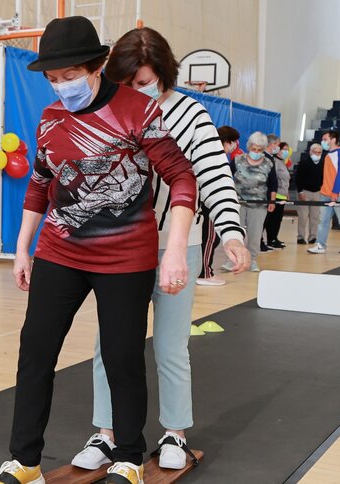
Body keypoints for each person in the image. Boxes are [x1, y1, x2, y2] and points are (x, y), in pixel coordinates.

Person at [0, 17, 197, 484]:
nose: (61, 86)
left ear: (97, 66)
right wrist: (22, 249)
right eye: (53, 78)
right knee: (35, 353)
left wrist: (174, 250)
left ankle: (128, 457)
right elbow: (40, 184)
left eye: (70, 75)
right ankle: (25, 462)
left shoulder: (138, 110)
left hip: (125, 258)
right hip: (60, 251)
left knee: (122, 358)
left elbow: (182, 177)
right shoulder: (51, 119)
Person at [71, 26, 249, 473]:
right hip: (120, 248)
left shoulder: (190, 114)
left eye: (144, 82)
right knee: (110, 345)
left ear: (165, 74)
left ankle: (175, 432)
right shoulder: (108, 108)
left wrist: (231, 233)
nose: (135, 90)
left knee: (171, 345)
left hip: (176, 244)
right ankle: (107, 432)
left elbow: (213, 175)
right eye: (126, 82)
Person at [224, 132, 276, 273]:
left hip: (259, 204)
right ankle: (232, 260)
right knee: (235, 232)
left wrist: (272, 201)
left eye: (259, 150)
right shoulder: (238, 160)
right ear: (249, 147)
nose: (256, 152)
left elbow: (273, 184)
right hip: (238, 202)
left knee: (255, 234)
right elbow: (226, 177)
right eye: (254, 149)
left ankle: (252, 260)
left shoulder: (268, 163)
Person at [197, 125, 242, 286]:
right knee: (209, 238)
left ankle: (204, 270)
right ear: (227, 141)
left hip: (207, 203)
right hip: (208, 204)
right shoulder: (214, 156)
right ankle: (205, 273)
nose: (235, 146)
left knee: (209, 239)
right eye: (233, 142)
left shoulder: (217, 155)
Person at [308, 131, 340, 255]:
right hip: (325, 193)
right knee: (323, 221)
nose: (323, 141)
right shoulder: (328, 155)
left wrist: (335, 192)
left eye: (325, 139)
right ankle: (320, 245)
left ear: (333, 139)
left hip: (339, 194)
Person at [263, 139, 291, 249]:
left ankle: (274, 238)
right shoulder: (274, 161)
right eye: (283, 149)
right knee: (271, 219)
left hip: (283, 194)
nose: (285, 151)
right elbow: (275, 179)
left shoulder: (283, 162)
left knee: (278, 219)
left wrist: (287, 192)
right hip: (277, 194)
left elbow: (286, 179)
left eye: (287, 150)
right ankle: (270, 239)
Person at [295, 144, 325, 244]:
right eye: (315, 152)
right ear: (311, 152)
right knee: (303, 217)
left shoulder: (323, 163)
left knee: (315, 217)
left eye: (319, 152)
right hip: (304, 192)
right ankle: (301, 237)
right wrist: (300, 192)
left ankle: (313, 237)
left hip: (317, 192)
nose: (318, 154)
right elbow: (298, 178)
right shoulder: (303, 163)